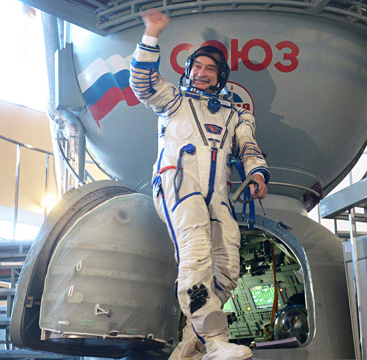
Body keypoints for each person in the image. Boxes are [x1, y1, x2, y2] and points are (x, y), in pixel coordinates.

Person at [130, 9, 270, 360]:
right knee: (194, 254)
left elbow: (248, 146)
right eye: (197, 67)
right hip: (178, 183)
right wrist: (151, 35)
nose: (202, 73)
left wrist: (256, 173)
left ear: (220, 77)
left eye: (210, 69)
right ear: (188, 70)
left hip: (217, 194)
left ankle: (192, 342)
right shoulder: (172, 101)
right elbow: (142, 82)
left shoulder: (234, 114)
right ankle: (216, 339)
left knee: (227, 270)